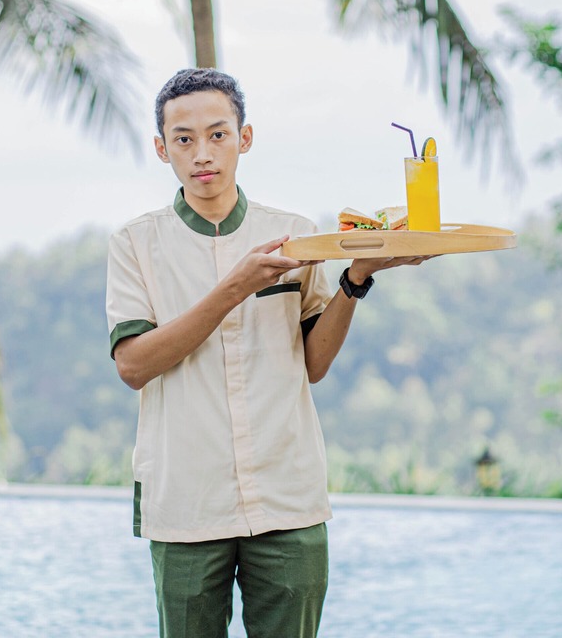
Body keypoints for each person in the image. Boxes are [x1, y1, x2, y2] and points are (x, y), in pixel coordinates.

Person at [106, 68, 430, 638]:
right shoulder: (135, 243)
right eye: (183, 139)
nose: (202, 153)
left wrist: (355, 279)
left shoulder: (295, 236)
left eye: (218, 134)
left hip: (288, 497)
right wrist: (236, 286)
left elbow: (313, 365)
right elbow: (133, 366)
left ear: (244, 138)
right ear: (162, 149)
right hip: (187, 501)